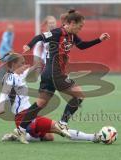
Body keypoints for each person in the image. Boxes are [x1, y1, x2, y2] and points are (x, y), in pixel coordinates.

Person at [17, 9, 110, 143]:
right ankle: (62, 123)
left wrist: (99, 40)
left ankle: (20, 129)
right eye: (80, 26)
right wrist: (28, 45)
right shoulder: (58, 32)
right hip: (56, 74)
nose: (81, 29)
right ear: (72, 23)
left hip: (48, 75)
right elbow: (40, 37)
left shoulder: (72, 36)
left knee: (41, 103)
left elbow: (82, 46)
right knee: (79, 95)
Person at [0, 52, 71, 144]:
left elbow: (26, 72)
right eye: (22, 63)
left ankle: (16, 135)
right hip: (22, 115)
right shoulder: (11, 78)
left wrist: (36, 66)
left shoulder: (19, 76)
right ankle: (90, 137)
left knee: (49, 137)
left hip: (30, 113)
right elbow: (4, 92)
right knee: (59, 128)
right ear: (14, 64)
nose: (24, 65)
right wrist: (1, 106)